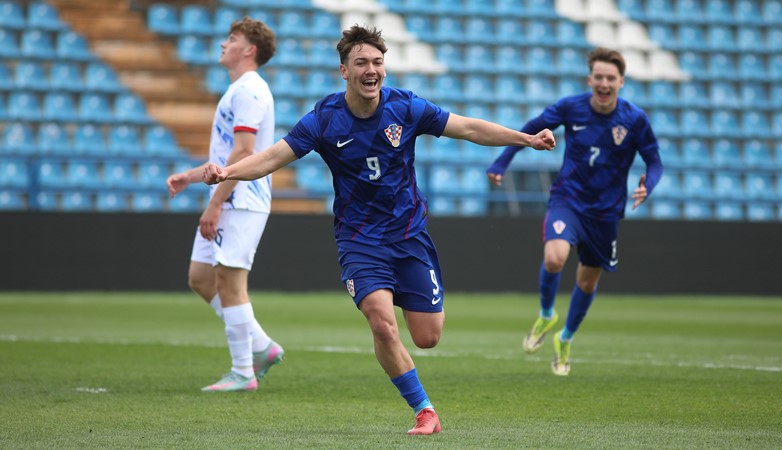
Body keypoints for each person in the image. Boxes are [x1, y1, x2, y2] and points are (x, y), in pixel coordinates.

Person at [203, 25, 556, 434]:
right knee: (382, 322)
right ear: (344, 71)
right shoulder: (324, 118)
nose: (371, 70)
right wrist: (227, 172)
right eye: (361, 63)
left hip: (408, 236)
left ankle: (409, 309)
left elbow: (470, 128)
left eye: (377, 62)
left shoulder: (405, 107)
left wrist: (526, 139)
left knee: (427, 336)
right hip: (359, 240)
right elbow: (270, 158)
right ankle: (424, 410)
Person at [486, 47, 663, 376]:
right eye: (599, 77)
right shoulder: (571, 107)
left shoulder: (634, 119)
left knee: (587, 281)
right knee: (554, 258)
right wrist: (501, 161)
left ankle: (565, 338)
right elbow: (531, 129)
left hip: (605, 213)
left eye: (611, 78)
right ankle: (546, 314)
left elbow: (655, 161)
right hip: (568, 200)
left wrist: (648, 185)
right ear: (589, 79)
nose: (604, 83)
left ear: (621, 82)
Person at [166, 17, 284, 392]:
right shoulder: (239, 89)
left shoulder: (250, 90)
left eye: (231, 38)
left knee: (230, 282)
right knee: (201, 277)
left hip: (241, 198)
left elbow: (244, 152)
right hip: (231, 194)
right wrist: (190, 176)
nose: (223, 43)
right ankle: (261, 345)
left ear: (249, 50)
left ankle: (242, 372)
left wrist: (216, 202)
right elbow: (226, 157)